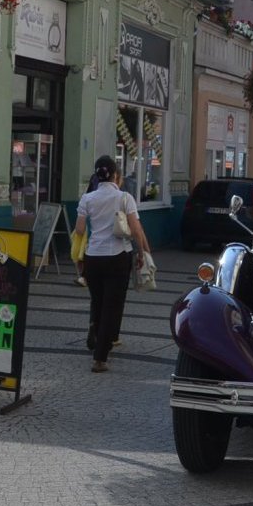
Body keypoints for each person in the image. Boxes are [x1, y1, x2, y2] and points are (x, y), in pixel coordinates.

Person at [74, 155, 151, 372]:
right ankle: (100, 357)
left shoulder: (87, 199)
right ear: (116, 175)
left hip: (93, 258)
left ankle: (97, 339)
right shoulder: (125, 198)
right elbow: (136, 229)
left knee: (98, 303)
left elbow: (80, 230)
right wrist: (143, 251)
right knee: (112, 306)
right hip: (117, 257)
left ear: (97, 176)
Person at [73, 172, 101, 287]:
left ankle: (85, 276)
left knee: (86, 250)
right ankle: (85, 276)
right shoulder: (119, 195)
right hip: (96, 228)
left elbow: (79, 227)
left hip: (90, 226)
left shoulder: (88, 196)